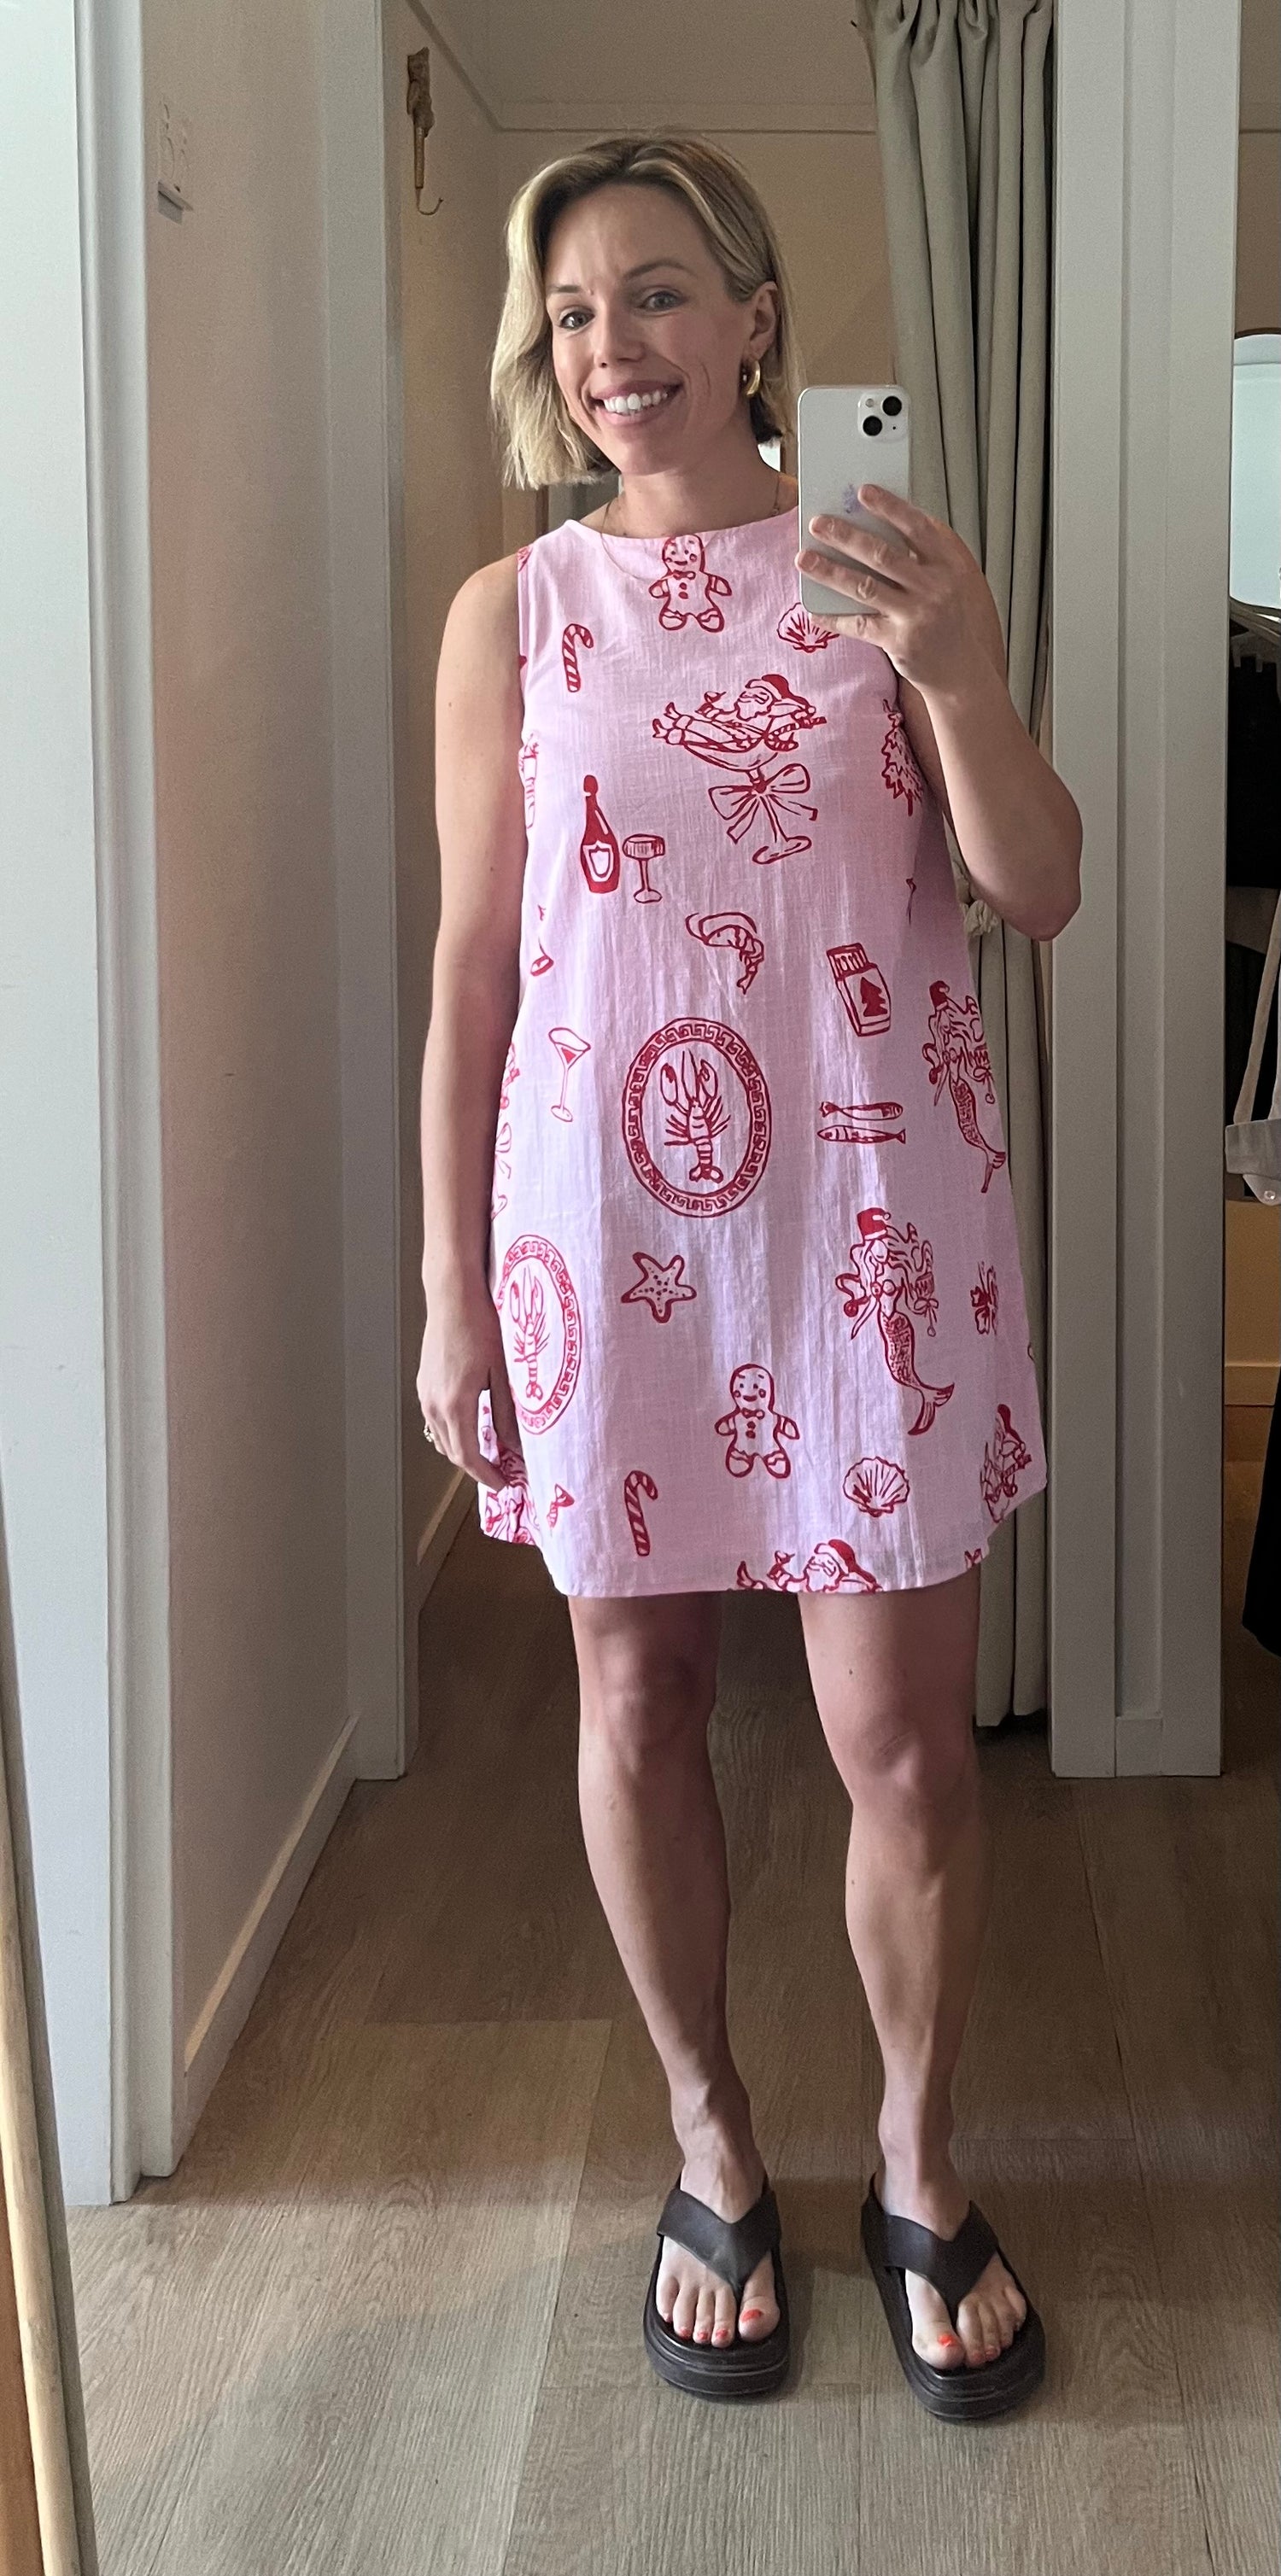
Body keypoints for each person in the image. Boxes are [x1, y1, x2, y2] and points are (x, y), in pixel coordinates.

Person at [418, 131, 1081, 2421]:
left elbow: (1037, 886)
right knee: (633, 1698)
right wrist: (449, 1279)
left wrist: (959, 675)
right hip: (604, 1238)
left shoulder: (887, 566)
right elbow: (478, 964)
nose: (613, 346)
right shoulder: (513, 614)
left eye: (659, 292)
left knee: (898, 1739)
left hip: (864, 1230)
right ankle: (712, 2138)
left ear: (757, 317)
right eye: (573, 310)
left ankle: (912, 2159)